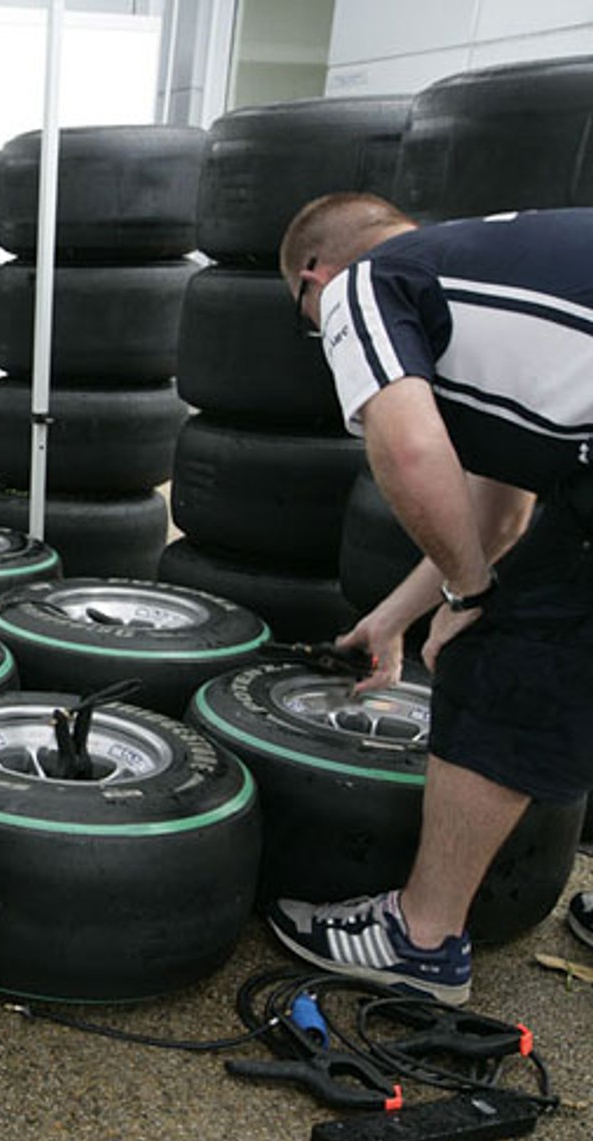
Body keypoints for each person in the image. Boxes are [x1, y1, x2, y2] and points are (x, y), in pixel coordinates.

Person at [270, 191, 593, 1004]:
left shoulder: (369, 281)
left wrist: (469, 596)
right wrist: (398, 615)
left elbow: (408, 448)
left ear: (313, 277)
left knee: (505, 667)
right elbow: (505, 510)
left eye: (306, 318)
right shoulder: (492, 289)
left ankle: (419, 939)